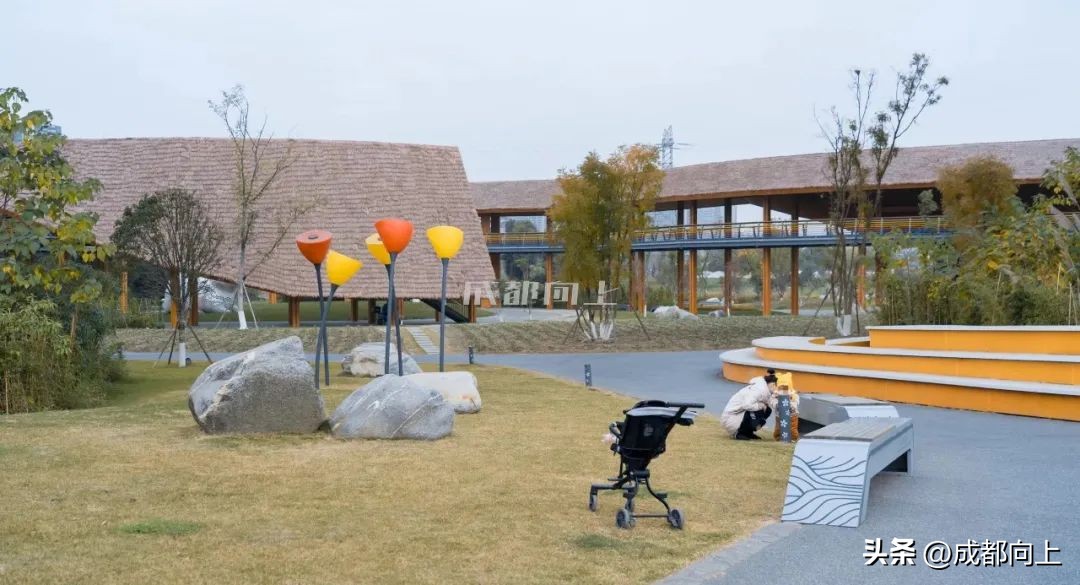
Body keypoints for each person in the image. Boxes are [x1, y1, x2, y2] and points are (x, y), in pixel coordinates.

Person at [721, 371, 775, 440]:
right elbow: (746, 405)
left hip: (738, 414)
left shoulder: (763, 389)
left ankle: (748, 432)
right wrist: (761, 406)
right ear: (772, 384)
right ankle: (740, 433)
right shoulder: (758, 389)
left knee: (767, 410)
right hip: (731, 418)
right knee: (758, 410)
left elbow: (769, 403)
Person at [770, 372, 800, 441]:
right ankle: (778, 437)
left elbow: (796, 402)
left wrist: (791, 406)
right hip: (779, 415)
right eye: (781, 387)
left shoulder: (793, 395)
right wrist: (776, 404)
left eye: (785, 387)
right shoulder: (775, 395)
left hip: (792, 415)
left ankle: (793, 438)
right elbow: (772, 401)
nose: (783, 389)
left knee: (792, 428)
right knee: (778, 428)